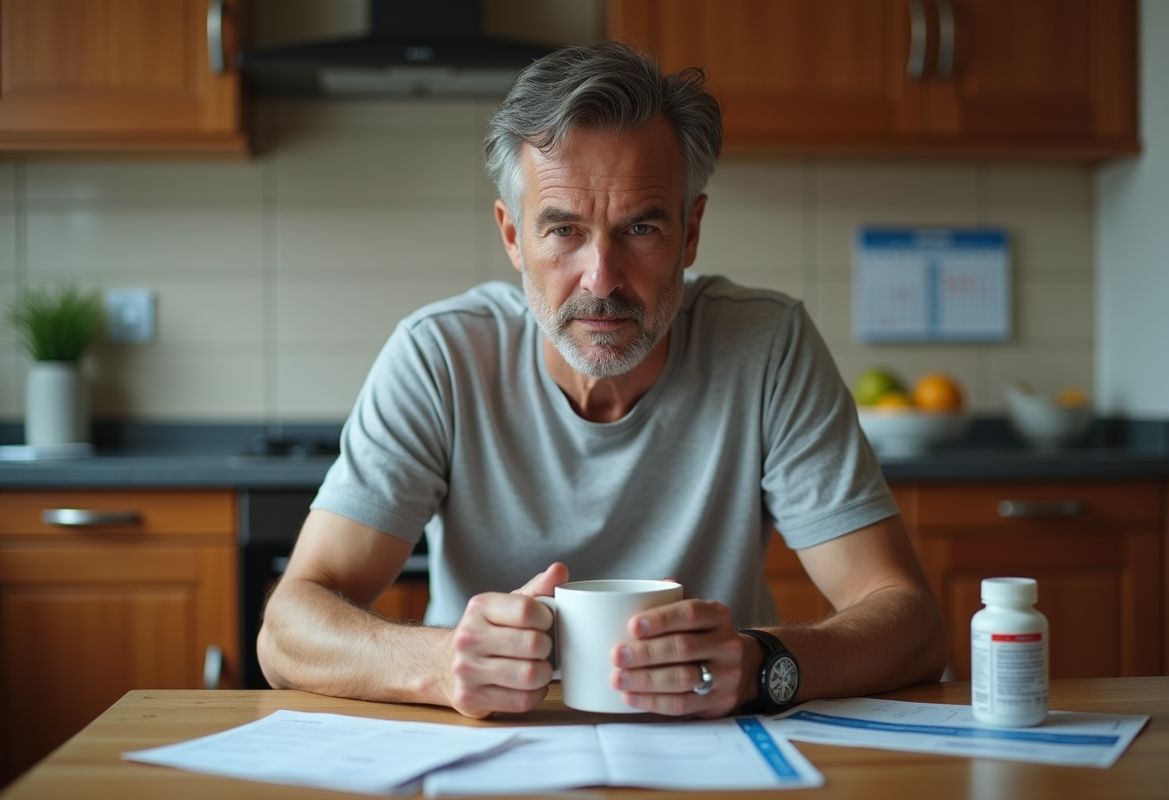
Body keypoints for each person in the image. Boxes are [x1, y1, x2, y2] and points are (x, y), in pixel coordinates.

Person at [258, 41, 946, 720]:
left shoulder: (767, 346)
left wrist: (762, 666)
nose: (601, 281)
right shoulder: (439, 356)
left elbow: (910, 622)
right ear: (511, 236)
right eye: (562, 231)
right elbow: (287, 629)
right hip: (486, 746)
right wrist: (436, 665)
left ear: (691, 231)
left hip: (715, 746)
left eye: (640, 227)